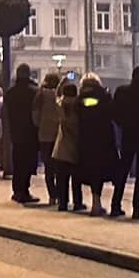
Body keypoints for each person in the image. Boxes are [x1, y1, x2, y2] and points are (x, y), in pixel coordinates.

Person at [110, 66, 139, 220]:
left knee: (123, 170)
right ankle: (138, 208)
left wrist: (123, 124)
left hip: (128, 135)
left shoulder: (122, 91)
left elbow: (114, 112)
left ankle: (115, 205)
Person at [74, 73, 119, 217]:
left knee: (90, 172)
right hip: (103, 138)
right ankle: (114, 205)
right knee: (109, 172)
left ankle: (94, 202)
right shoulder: (104, 96)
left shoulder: (79, 100)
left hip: (86, 139)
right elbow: (112, 113)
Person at [4, 64, 40, 205]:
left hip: (16, 131)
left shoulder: (11, 92)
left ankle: (17, 190)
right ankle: (24, 190)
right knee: (28, 162)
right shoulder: (34, 91)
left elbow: (6, 112)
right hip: (31, 132)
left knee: (18, 161)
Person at [51, 80, 83, 210]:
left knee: (61, 178)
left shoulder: (60, 105)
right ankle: (77, 202)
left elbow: (56, 95)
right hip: (75, 147)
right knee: (76, 179)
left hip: (61, 148)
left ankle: (62, 203)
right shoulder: (78, 107)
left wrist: (60, 83)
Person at [36, 72, 64, 206]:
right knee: (59, 167)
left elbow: (35, 115)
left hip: (44, 134)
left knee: (48, 168)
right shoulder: (60, 95)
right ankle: (61, 194)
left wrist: (40, 124)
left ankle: (52, 196)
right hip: (58, 135)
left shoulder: (40, 95)